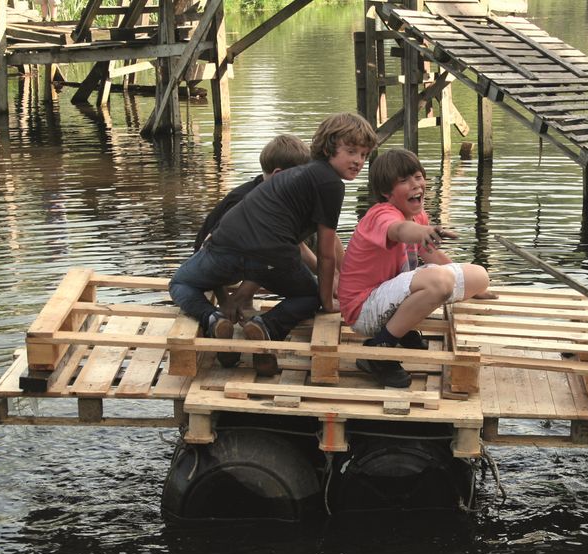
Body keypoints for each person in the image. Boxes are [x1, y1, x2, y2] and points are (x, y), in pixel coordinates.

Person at [169, 113, 376, 372]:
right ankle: (267, 326)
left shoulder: (300, 175)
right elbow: (325, 252)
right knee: (307, 296)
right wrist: (326, 300)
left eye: (364, 155)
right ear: (327, 148)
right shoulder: (331, 183)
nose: (358, 161)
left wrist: (344, 278)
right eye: (351, 152)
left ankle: (212, 318)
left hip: (226, 246)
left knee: (180, 282)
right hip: (269, 256)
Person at [337, 148, 491, 388]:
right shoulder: (381, 215)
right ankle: (379, 349)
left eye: (418, 177)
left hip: (387, 299)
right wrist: (424, 233)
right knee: (438, 282)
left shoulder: (418, 216)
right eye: (404, 181)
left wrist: (471, 288)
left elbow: (430, 254)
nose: (415, 185)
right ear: (387, 193)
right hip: (363, 309)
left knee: (480, 276)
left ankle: (400, 328)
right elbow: (398, 230)